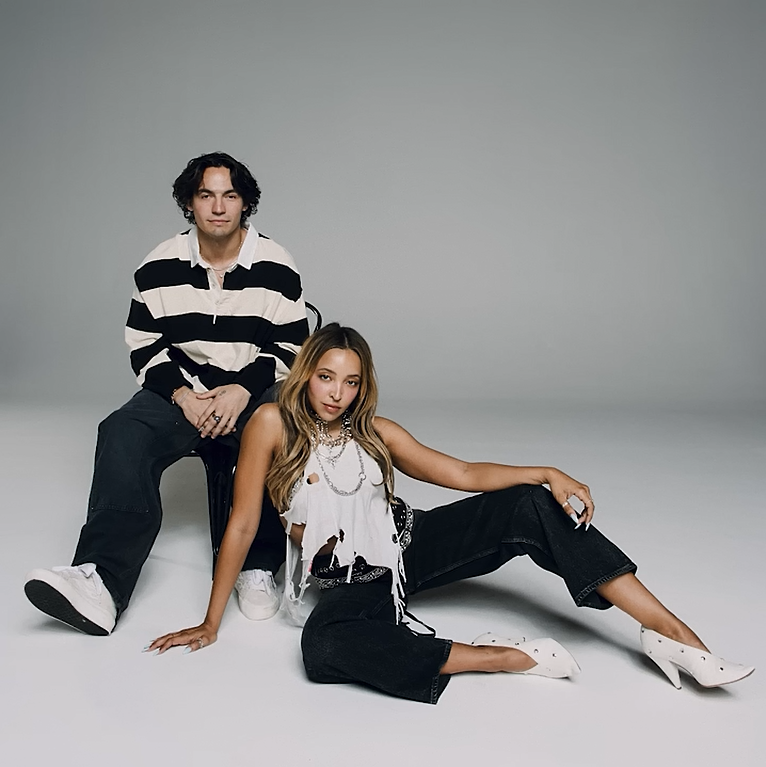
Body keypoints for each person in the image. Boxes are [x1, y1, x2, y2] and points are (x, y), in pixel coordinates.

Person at [148, 323, 754, 703]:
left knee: (529, 504)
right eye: (326, 377)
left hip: (408, 545)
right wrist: (210, 621)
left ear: (363, 387)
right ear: (306, 375)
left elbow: (462, 474)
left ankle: (673, 635)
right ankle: (502, 656)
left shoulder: (377, 432)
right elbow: (244, 523)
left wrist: (546, 471)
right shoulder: (270, 423)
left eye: (351, 383)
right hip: (346, 580)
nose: (337, 393)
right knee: (323, 648)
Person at [24, 152, 308, 636]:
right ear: (189, 203)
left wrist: (241, 389)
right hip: (183, 392)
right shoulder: (157, 264)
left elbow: (292, 345)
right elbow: (145, 345)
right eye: (206, 195)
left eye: (230, 196)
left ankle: (256, 565)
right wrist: (182, 394)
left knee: (277, 426)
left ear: (245, 203)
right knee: (122, 430)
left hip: (252, 390)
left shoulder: (277, 264)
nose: (217, 207)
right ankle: (102, 582)